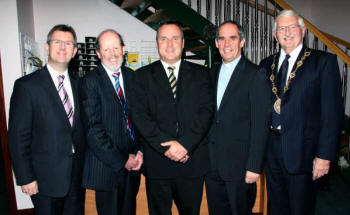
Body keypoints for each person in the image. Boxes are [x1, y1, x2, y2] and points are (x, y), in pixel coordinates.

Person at [259, 9, 343, 215]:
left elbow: (332, 114)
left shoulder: (323, 62)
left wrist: (324, 156)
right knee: (276, 207)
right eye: (281, 28)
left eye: (292, 27)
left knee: (300, 208)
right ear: (275, 35)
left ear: (303, 31)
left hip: (304, 153)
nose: (287, 32)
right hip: (271, 150)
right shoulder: (265, 64)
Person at [130, 21, 214, 215]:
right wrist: (168, 148)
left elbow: (206, 112)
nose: (169, 44)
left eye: (175, 38)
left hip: (190, 162)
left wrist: (185, 145)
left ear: (183, 43)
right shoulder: (141, 76)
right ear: (157, 43)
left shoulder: (202, 75)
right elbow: (140, 116)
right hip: (159, 164)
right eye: (164, 38)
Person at [8, 24, 85, 215]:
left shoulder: (80, 84)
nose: (62, 47)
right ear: (47, 47)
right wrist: (25, 177)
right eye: (57, 42)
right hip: (44, 180)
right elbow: (18, 137)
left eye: (68, 43)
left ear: (74, 51)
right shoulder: (27, 86)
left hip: (76, 176)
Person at [205, 21, 270, 215]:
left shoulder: (255, 74)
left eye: (232, 38)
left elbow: (261, 125)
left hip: (240, 168)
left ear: (242, 41)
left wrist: (254, 166)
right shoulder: (211, 73)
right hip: (212, 165)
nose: (226, 43)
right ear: (216, 43)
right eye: (221, 38)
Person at [80, 29, 142, 215]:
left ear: (123, 49)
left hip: (134, 166)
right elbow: (93, 130)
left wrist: (140, 151)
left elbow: (141, 118)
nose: (112, 53)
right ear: (98, 54)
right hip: (107, 167)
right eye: (106, 49)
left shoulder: (133, 77)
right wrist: (123, 160)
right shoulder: (89, 82)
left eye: (116, 47)